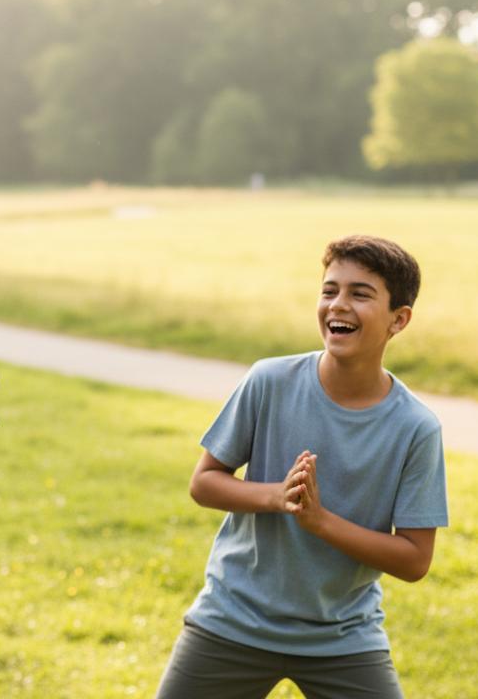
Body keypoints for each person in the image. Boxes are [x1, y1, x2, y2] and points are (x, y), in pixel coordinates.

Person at [154, 235, 448, 699]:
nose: (339, 305)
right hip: (233, 621)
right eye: (329, 290)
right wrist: (277, 496)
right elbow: (204, 483)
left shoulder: (415, 428)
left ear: (399, 319)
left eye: (360, 294)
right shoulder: (269, 380)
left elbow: (414, 559)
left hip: (343, 636)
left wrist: (319, 521)